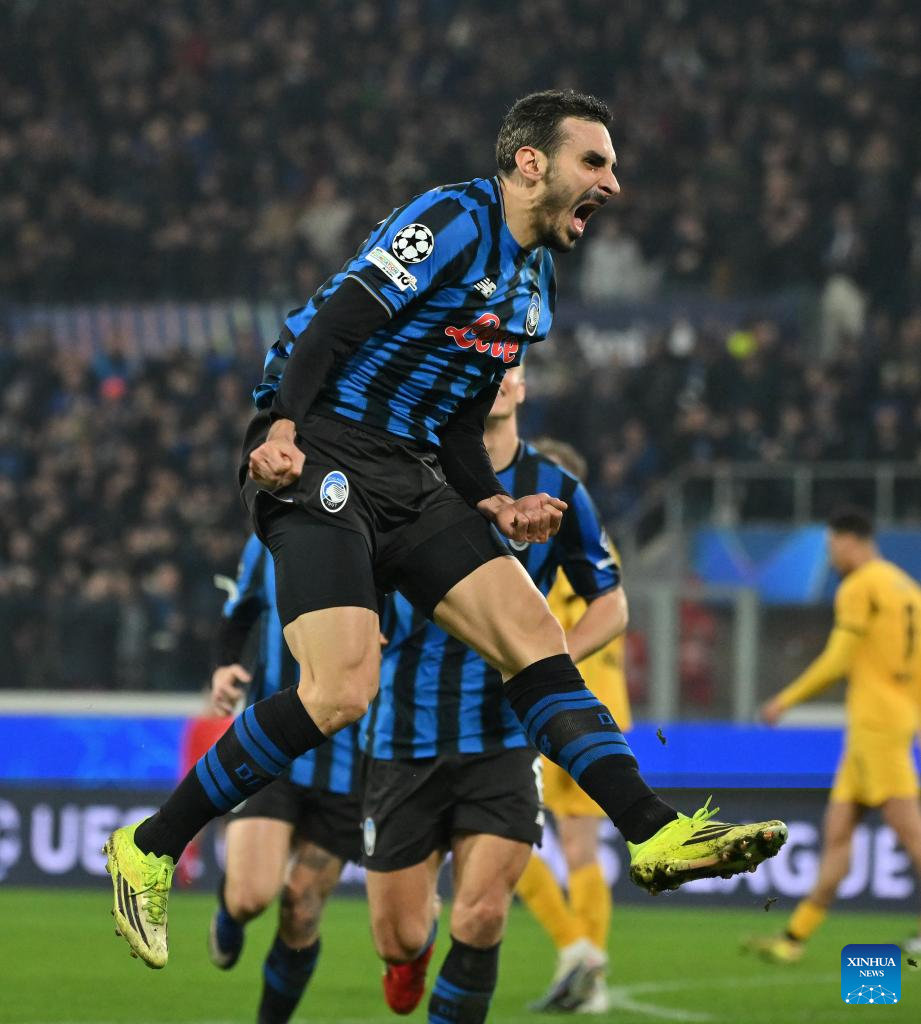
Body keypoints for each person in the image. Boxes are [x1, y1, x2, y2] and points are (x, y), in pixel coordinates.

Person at [104, 89, 787, 969]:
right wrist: (281, 429)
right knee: (341, 688)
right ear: (531, 163)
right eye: (594, 161)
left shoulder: (534, 287)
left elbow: (461, 418)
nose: (613, 183)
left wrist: (492, 502)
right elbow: (334, 323)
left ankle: (653, 833)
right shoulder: (451, 220)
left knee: (534, 637)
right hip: (322, 447)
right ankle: (149, 847)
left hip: (411, 471)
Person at [362, 368, 625, 1023]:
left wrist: (544, 667)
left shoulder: (558, 488)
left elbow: (611, 603)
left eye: (511, 368)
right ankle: (408, 955)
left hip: (505, 737)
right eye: (485, 368)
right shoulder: (406, 472)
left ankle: (572, 954)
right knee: (399, 937)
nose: (499, 377)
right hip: (406, 733)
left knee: (481, 915)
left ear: (523, 388)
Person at [746, 509, 921, 964]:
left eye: (831, 547)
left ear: (850, 541)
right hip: (885, 724)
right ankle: (795, 938)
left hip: (876, 728)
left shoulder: (860, 586)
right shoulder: (906, 587)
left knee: (912, 835)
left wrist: (785, 700)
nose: (830, 557)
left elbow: (838, 659)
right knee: (838, 834)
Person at [209, 533, 363, 1023]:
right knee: (251, 896)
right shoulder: (271, 535)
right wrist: (225, 665)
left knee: (301, 909)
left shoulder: (392, 530)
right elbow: (240, 610)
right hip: (273, 744)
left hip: (353, 760)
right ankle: (230, 909)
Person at [514, 438, 630, 1014]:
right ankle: (591, 975)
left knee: (506, 835)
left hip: (551, 703)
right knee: (581, 850)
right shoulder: (602, 549)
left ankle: (574, 948)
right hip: (603, 710)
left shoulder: (544, 543)